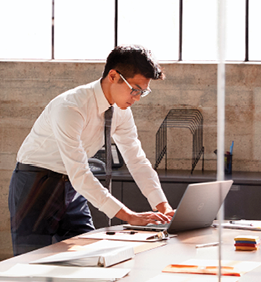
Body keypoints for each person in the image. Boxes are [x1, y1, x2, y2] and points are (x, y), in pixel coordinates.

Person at [8, 44, 174, 256]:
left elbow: (137, 160)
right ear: (113, 76)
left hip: (72, 185)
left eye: (143, 92)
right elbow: (80, 173)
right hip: (36, 182)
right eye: (134, 89)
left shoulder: (121, 112)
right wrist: (129, 215)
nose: (137, 98)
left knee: (90, 255)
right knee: (29, 262)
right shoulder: (71, 107)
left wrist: (164, 208)